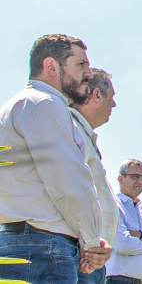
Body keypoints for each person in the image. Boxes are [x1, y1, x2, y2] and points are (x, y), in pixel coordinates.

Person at [0, 34, 112, 284]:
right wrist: (91, 242)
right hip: (41, 248)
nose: (87, 73)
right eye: (81, 65)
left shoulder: (28, 104)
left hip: (30, 243)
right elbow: (68, 183)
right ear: (51, 66)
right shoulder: (43, 104)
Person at [70, 68, 121, 284]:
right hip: (84, 259)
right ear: (97, 95)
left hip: (92, 259)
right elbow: (71, 190)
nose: (114, 105)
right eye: (112, 97)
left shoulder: (81, 132)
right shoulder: (70, 129)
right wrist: (88, 245)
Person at [106, 159, 142, 284]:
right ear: (121, 179)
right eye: (135, 177)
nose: (140, 181)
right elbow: (122, 244)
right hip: (120, 280)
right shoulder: (113, 206)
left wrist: (140, 235)